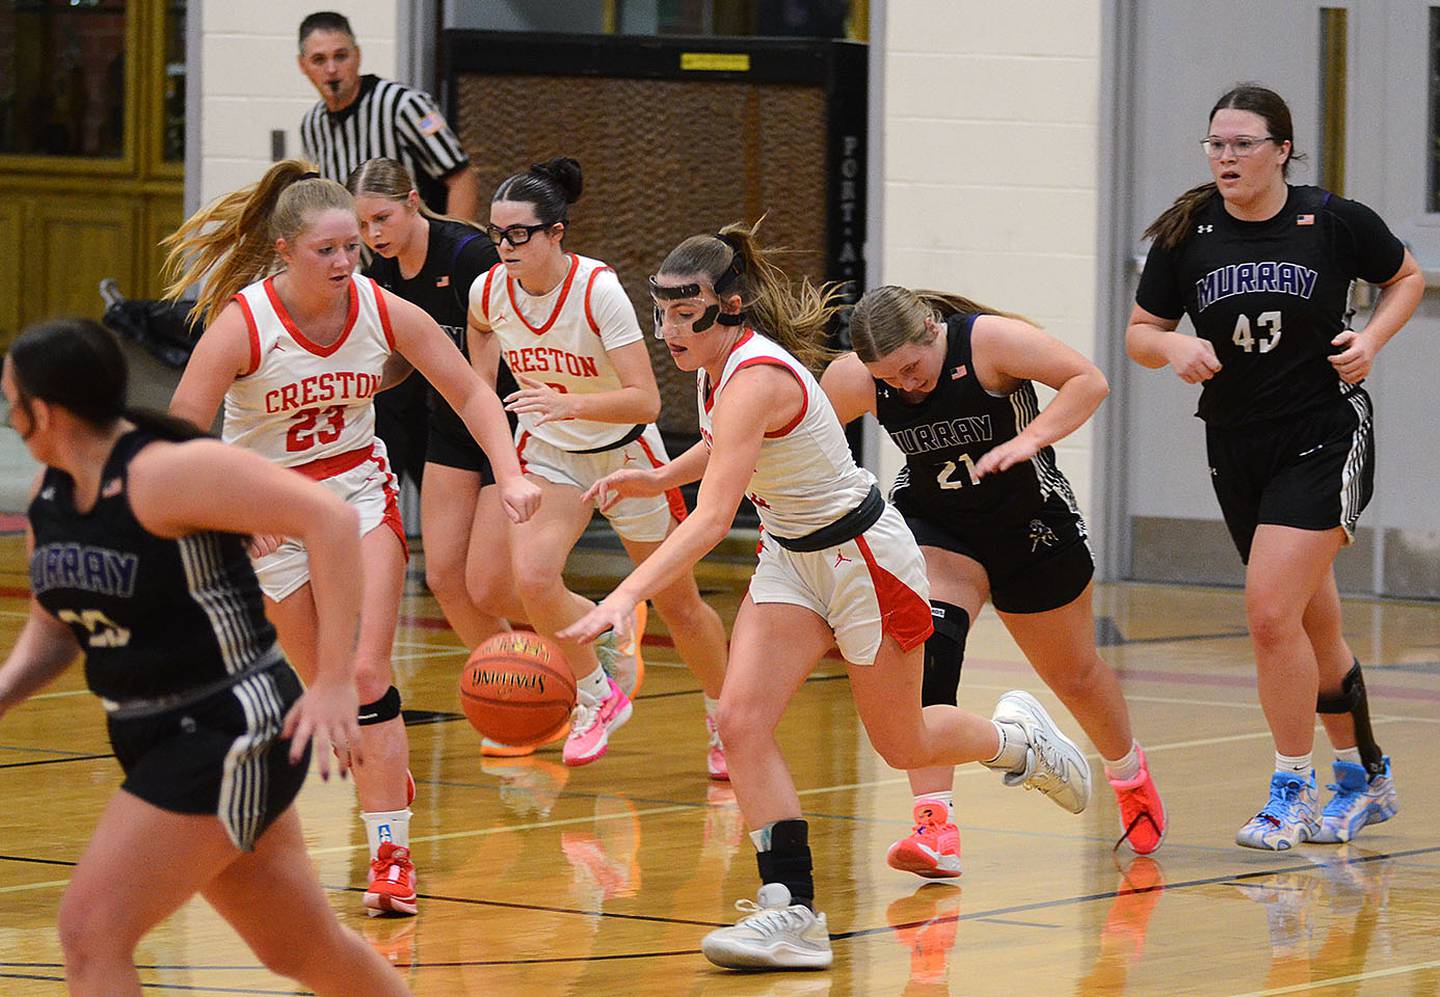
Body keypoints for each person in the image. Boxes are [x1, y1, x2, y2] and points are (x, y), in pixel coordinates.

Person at [559, 221, 1092, 971]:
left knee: (901, 741)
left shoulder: (758, 375)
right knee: (741, 721)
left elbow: (716, 517)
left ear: (731, 309)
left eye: (686, 315)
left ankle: (1016, 742)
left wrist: (625, 596)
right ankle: (792, 910)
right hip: (792, 560)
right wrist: (656, 477)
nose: (670, 331)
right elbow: (729, 446)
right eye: (664, 315)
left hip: (864, 560)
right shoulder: (721, 369)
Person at [163, 160, 540, 915]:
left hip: (359, 498)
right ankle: (384, 775)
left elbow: (469, 387)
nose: (343, 262)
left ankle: (391, 857)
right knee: (325, 690)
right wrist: (229, 515)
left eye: (351, 249)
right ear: (283, 251)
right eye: (325, 251)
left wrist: (510, 469)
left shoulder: (380, 307)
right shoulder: (245, 325)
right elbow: (173, 443)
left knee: (365, 677)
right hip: (271, 515)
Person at [0, 318, 406, 996]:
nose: (8, 416)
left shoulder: (162, 472)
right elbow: (57, 626)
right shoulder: (54, 492)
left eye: (11, 399)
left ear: (45, 408)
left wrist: (335, 678)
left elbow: (330, 519)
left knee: (91, 930)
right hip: (159, 731)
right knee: (302, 948)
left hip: (226, 728)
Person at [1126, 84, 1422, 850]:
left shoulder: (1332, 220)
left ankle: (1290, 786)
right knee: (1311, 626)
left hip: (1323, 431)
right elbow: (1139, 332)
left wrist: (1373, 340)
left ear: (1281, 149)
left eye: (1242, 144)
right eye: (1216, 144)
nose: (1226, 157)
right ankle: (1366, 778)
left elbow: (1407, 277)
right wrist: (1172, 346)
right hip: (1235, 442)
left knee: (1266, 614)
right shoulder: (1188, 233)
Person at [821, 284, 1168, 871]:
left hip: (1031, 523)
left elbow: (1089, 380)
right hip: (939, 526)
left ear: (932, 329)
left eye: (912, 369)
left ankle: (1127, 773)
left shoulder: (986, 342)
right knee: (930, 656)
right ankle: (935, 826)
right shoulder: (855, 378)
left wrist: (1031, 439)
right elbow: (805, 443)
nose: (905, 385)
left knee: (1076, 675)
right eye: (890, 379)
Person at [468, 158, 729, 772]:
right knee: (532, 579)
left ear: (556, 233)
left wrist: (568, 401)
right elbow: (481, 327)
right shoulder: (488, 290)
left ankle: (726, 717)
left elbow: (647, 400)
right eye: (496, 234)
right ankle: (595, 693)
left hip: (627, 456)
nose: (504, 246)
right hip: (554, 456)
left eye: (519, 234)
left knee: (680, 605)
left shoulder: (596, 290)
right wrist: (481, 382)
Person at [297, 10, 481, 491]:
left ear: (357, 57)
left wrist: (452, 255)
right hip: (367, 280)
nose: (332, 69)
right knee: (390, 407)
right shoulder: (313, 124)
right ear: (304, 67)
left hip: (423, 268)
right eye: (320, 60)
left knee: (438, 395)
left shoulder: (401, 104)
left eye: (340, 56)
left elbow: (460, 176)